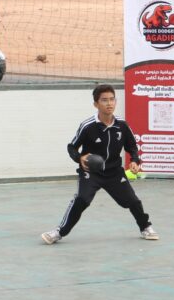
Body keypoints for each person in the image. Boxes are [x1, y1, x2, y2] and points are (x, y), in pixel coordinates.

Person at [41, 84, 158, 244]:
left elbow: (132, 147)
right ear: (96, 104)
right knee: (81, 199)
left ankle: (146, 227)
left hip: (114, 172)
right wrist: (79, 158)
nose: (109, 103)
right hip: (91, 172)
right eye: (104, 100)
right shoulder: (88, 126)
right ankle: (59, 232)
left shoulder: (122, 125)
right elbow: (71, 147)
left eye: (112, 99)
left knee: (133, 201)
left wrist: (135, 160)